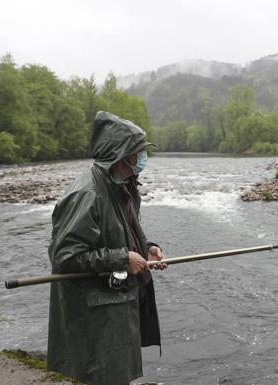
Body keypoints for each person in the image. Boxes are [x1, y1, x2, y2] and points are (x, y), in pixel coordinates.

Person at [47, 111, 167, 385]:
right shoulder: (86, 194)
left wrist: (146, 248)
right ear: (121, 155)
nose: (142, 158)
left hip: (114, 306)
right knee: (98, 375)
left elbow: (117, 234)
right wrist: (122, 258)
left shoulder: (122, 185)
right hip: (93, 316)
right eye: (138, 152)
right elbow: (65, 258)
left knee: (116, 374)